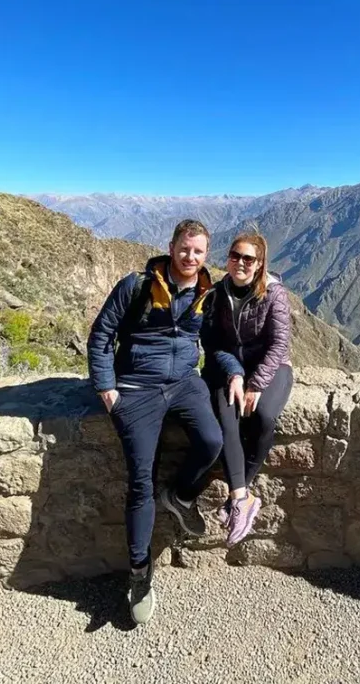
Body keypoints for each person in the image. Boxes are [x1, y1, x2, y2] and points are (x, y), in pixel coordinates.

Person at [86, 219, 224, 625]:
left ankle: (180, 496)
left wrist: (236, 373)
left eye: (198, 252)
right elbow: (101, 334)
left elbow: (215, 343)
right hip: (136, 387)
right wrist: (106, 387)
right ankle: (139, 573)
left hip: (184, 383)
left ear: (205, 256)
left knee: (212, 441)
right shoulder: (138, 285)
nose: (191, 257)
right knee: (140, 479)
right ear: (171, 247)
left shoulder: (206, 292)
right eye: (185, 249)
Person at [201, 231, 293, 547]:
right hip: (229, 369)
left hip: (272, 366)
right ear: (228, 258)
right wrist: (236, 375)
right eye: (235, 255)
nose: (240, 262)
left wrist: (256, 383)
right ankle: (241, 497)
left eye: (248, 258)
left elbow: (279, 343)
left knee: (265, 417)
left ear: (259, 264)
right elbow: (212, 343)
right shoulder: (217, 293)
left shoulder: (274, 293)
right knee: (228, 419)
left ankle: (238, 497)